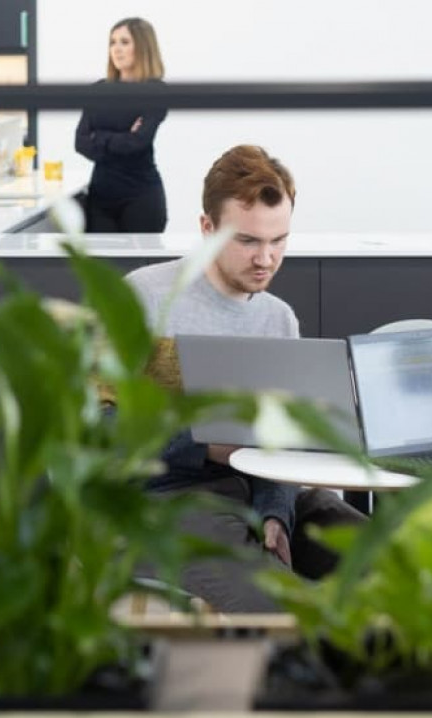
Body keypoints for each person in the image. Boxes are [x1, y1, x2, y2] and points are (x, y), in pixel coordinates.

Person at [123, 144, 365, 611]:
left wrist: (275, 511)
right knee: (286, 606)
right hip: (163, 502)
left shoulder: (278, 320)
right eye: (248, 241)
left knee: (389, 567)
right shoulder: (145, 299)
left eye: (279, 241)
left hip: (257, 491)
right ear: (207, 228)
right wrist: (205, 445)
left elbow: (285, 444)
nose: (266, 259)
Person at [74, 17, 168, 233]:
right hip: (101, 198)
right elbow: (80, 143)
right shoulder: (97, 90)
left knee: (138, 266)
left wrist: (98, 138)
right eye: (113, 42)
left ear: (143, 47)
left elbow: (137, 143)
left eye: (125, 42)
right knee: (100, 265)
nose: (117, 49)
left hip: (141, 197)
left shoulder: (156, 91)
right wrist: (122, 137)